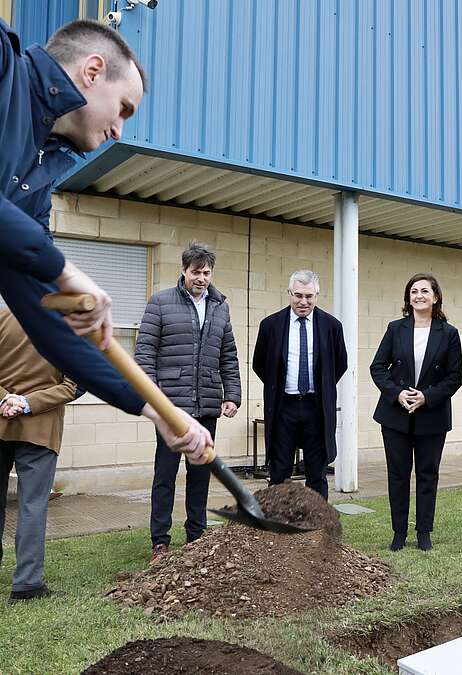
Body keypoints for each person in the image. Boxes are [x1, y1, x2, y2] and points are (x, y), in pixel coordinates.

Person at [0, 18, 210, 459]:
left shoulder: (34, 182)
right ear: (92, 71)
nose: (119, 130)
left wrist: (157, 411)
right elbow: (44, 264)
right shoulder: (3, 63)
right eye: (124, 109)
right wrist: (64, 269)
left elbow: (49, 320)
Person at [135, 243, 241, 564]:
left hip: (207, 405)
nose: (202, 278)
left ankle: (196, 536)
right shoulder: (160, 303)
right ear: (184, 270)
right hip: (171, 408)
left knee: (200, 475)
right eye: (196, 272)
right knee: (165, 476)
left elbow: (228, 355)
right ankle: (160, 542)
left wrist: (232, 395)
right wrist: (153, 398)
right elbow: (144, 354)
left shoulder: (221, 306)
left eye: (207, 273)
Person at [370, 273, 462, 552]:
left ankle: (424, 532)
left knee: (427, 474)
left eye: (425, 291)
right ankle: (398, 532)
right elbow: (378, 367)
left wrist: (427, 396)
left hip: (431, 415)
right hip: (395, 415)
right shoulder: (395, 328)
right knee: (398, 475)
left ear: (436, 297)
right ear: (408, 298)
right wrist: (397, 394)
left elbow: (455, 376)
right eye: (413, 291)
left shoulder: (448, 333)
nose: (419, 295)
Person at [0, 308, 78, 603]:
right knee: (32, 505)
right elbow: (73, 386)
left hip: (0, 418)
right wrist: (27, 403)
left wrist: (6, 400)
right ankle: (26, 585)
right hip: (41, 429)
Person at [252, 270, 347, 500]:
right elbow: (259, 363)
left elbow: (340, 364)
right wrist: (279, 385)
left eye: (309, 296)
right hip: (284, 408)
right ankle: (279, 526)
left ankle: (317, 527)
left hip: (317, 409)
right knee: (279, 471)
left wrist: (322, 387)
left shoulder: (331, 326)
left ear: (317, 295)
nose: (303, 302)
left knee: (317, 474)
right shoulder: (271, 325)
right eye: (298, 295)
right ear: (289, 294)